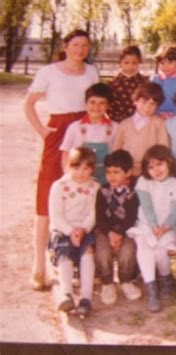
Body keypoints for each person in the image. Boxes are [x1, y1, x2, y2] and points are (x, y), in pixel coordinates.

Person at [25, 29, 99, 290]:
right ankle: (38, 266)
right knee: (46, 195)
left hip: (82, 130)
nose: (80, 49)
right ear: (66, 46)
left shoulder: (91, 72)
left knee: (83, 192)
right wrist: (43, 131)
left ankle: (78, 261)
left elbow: (96, 102)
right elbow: (29, 103)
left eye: (85, 45)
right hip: (57, 132)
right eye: (76, 44)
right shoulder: (49, 71)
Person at [127, 145, 176, 312]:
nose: (156, 170)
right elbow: (146, 207)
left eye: (160, 164)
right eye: (151, 167)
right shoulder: (144, 182)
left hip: (169, 226)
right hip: (146, 224)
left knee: (160, 249)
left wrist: (165, 227)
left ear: (169, 163)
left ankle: (166, 278)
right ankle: (152, 289)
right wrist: (153, 226)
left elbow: (175, 211)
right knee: (144, 247)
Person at [48, 147, 100, 316]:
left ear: (92, 169)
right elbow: (56, 216)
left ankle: (86, 298)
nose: (80, 173)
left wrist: (83, 229)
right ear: (69, 166)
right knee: (65, 253)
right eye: (76, 167)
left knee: (88, 252)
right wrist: (71, 231)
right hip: (63, 229)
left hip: (84, 229)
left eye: (86, 168)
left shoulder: (94, 187)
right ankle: (66, 293)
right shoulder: (60, 186)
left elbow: (93, 213)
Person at [95, 150, 141, 305]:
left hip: (126, 230)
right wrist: (110, 233)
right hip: (106, 230)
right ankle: (107, 283)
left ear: (128, 172)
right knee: (102, 250)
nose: (111, 176)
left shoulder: (134, 193)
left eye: (116, 172)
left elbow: (131, 217)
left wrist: (120, 233)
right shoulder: (102, 191)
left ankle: (126, 280)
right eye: (108, 172)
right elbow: (100, 216)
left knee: (128, 250)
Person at [60, 83, 118, 186]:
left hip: (105, 181)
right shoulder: (74, 127)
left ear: (108, 106)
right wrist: (69, 175)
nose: (96, 107)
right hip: (79, 179)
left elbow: (117, 154)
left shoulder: (115, 127)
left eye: (102, 103)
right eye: (92, 102)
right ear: (85, 104)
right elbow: (65, 153)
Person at [112, 82, 169, 176]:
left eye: (152, 104)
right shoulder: (124, 124)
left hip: (150, 172)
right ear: (135, 101)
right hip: (127, 172)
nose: (147, 107)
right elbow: (116, 149)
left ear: (157, 106)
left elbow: (163, 148)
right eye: (144, 102)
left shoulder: (159, 123)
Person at [108, 45, 148, 123]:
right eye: (126, 63)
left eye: (134, 63)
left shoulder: (145, 83)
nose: (130, 66)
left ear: (139, 62)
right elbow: (109, 107)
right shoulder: (113, 84)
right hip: (119, 123)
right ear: (120, 62)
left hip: (140, 123)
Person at [149, 45, 176, 119]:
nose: (165, 67)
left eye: (170, 63)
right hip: (157, 116)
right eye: (162, 63)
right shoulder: (154, 79)